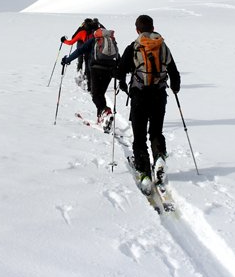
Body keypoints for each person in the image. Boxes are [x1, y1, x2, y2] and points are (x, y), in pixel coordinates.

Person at [115, 15, 180, 193]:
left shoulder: (134, 46)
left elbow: (120, 69)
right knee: (156, 131)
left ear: (137, 29)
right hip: (159, 95)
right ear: (153, 27)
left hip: (139, 96)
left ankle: (144, 174)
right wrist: (175, 87)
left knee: (139, 136)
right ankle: (159, 158)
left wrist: (121, 83)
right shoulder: (162, 45)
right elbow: (174, 72)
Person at [61, 24, 118, 132]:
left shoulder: (93, 40)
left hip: (96, 68)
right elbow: (117, 56)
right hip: (110, 69)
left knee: (95, 94)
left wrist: (67, 60)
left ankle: (105, 111)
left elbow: (79, 51)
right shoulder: (111, 41)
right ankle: (101, 117)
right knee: (100, 93)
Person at [60, 18, 96, 90]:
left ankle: (85, 80)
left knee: (85, 63)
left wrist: (64, 40)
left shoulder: (81, 32)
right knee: (90, 67)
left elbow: (71, 42)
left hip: (86, 51)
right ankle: (90, 85)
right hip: (95, 53)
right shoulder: (96, 32)